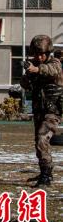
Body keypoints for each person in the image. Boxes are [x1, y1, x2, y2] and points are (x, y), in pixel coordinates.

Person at [21, 34, 62, 186]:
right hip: (39, 110)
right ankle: (44, 171)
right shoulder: (34, 65)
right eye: (37, 54)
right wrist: (28, 74)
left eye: (42, 54)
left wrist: (36, 69)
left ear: (48, 52)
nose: (39, 57)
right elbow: (24, 85)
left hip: (52, 112)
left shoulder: (54, 63)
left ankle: (47, 176)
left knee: (42, 139)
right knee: (38, 142)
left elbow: (52, 70)